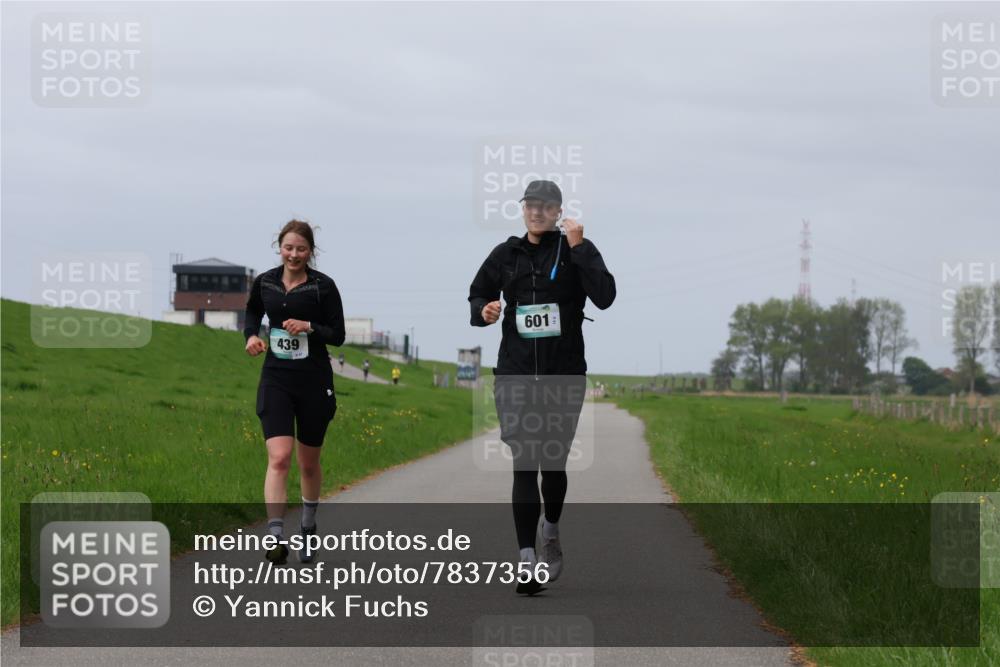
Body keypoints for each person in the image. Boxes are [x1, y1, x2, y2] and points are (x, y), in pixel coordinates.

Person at [468, 180, 616, 595]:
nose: (536, 212)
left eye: (545, 206)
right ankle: (525, 560)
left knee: (552, 465)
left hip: (563, 374)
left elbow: (605, 296)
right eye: (530, 205)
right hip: (515, 373)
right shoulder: (506, 254)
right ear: (524, 210)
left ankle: (550, 530)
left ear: (557, 211)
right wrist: (485, 309)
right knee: (524, 461)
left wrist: (581, 247)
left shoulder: (574, 250)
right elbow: (477, 294)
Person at [244, 219, 345, 565]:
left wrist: (309, 327)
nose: (294, 254)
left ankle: (308, 525)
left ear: (310, 252)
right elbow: (253, 311)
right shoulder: (266, 282)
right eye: (288, 247)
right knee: (279, 457)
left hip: (314, 381)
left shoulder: (323, 287)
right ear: (279, 247)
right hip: (276, 378)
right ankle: (274, 536)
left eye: (301, 249)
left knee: (308, 463)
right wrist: (251, 336)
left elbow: (338, 333)